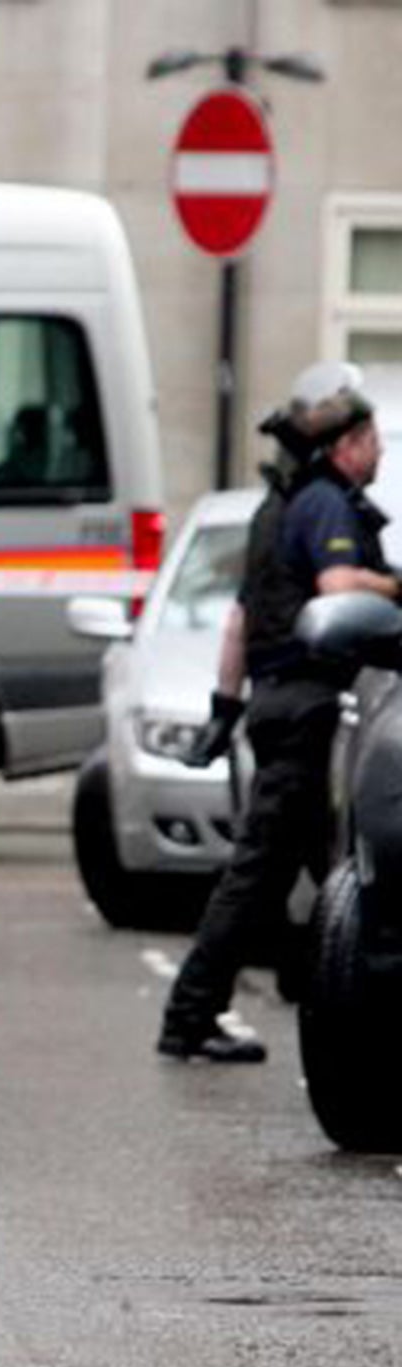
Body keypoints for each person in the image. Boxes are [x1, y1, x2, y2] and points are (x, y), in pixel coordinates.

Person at [161, 362, 395, 1063]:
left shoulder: (277, 509)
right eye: (373, 438)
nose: (379, 451)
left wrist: (222, 709)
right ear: (346, 446)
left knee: (323, 867)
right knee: (262, 872)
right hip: (306, 707)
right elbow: (339, 584)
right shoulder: (327, 504)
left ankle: (332, 998)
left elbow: (238, 624)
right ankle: (190, 1015)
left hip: (273, 704)